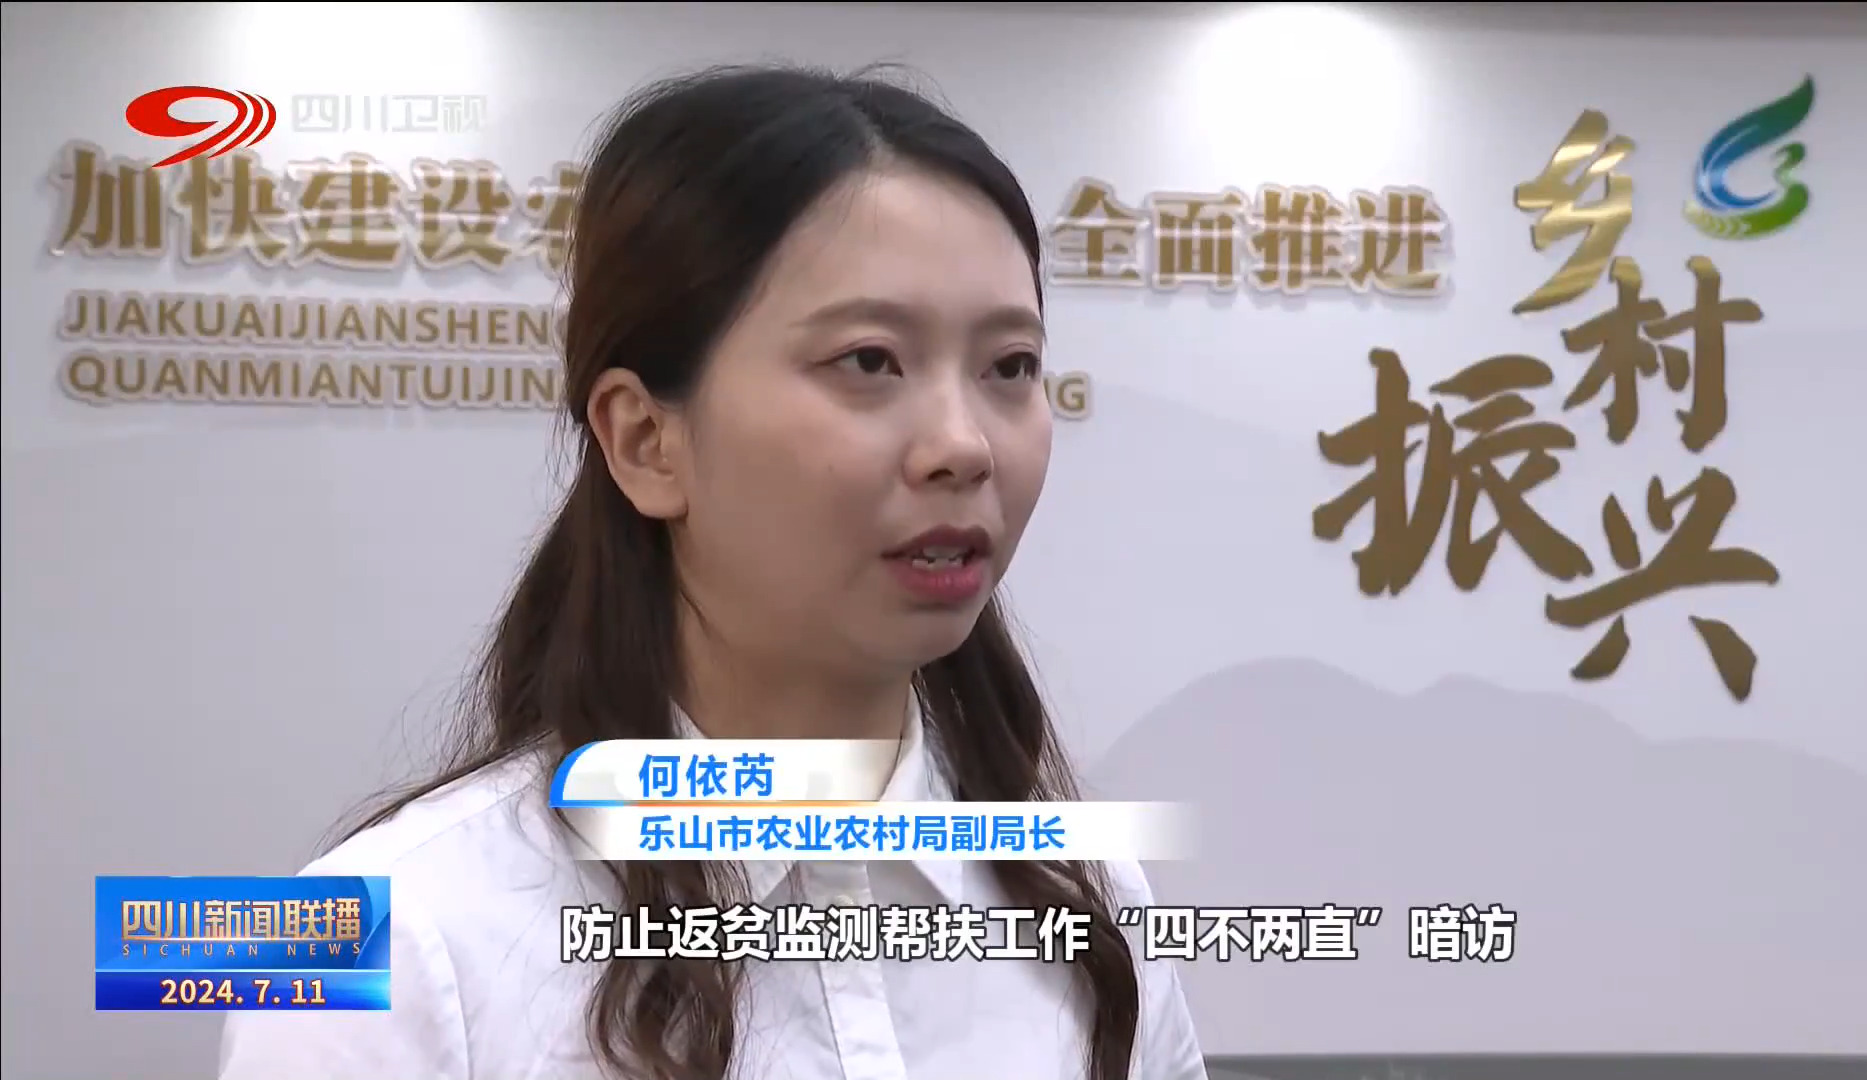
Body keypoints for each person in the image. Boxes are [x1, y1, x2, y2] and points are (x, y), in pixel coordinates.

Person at [217, 63, 1207, 1080]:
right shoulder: (390, 941)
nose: (964, 445)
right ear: (645, 439)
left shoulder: (1087, 902)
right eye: (869, 361)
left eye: (1010, 367)